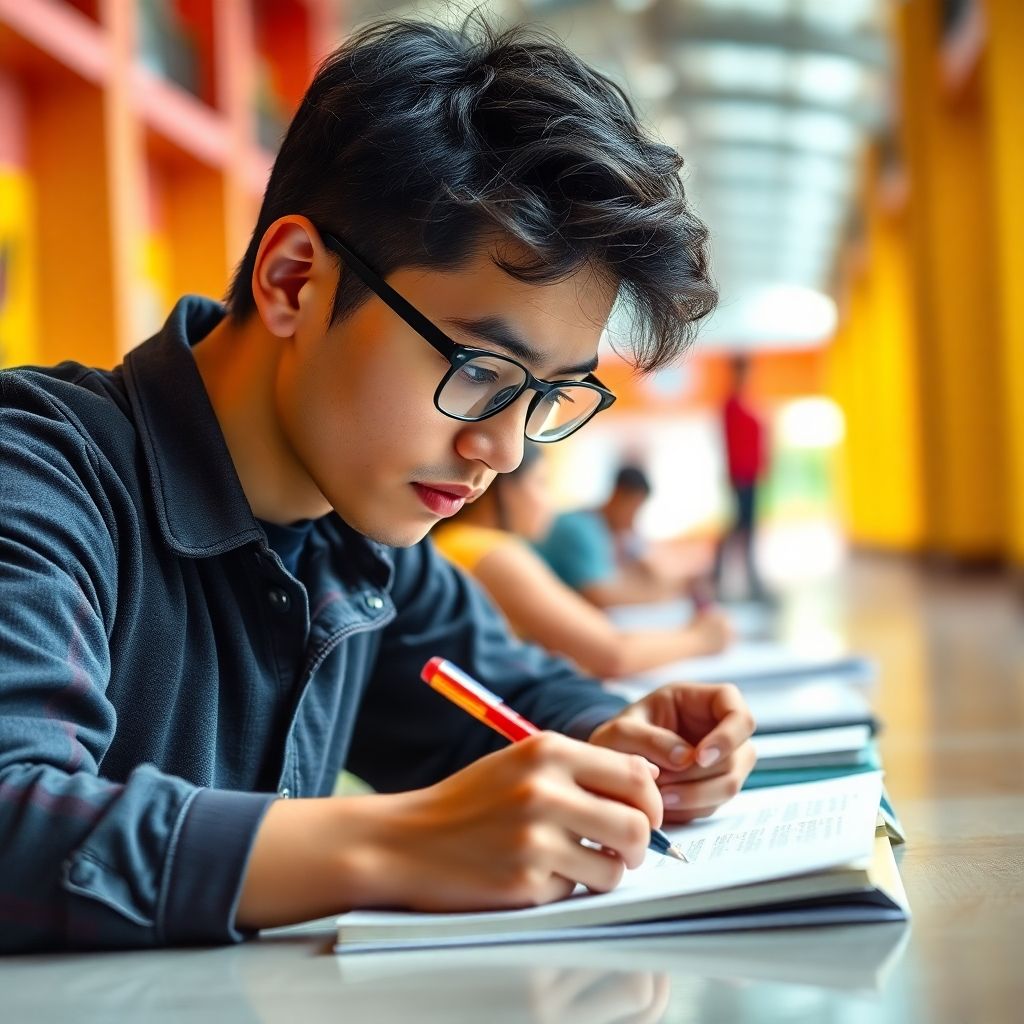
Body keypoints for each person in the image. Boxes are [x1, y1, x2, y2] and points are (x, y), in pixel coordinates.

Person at [0, 18, 755, 953]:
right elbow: (14, 816)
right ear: (292, 280)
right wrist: (396, 841)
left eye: (550, 397)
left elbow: (509, 696)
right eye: (479, 370)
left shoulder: (353, 538)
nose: (505, 451)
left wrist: (625, 744)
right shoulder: (36, 476)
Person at [434, 443, 732, 678]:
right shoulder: (491, 551)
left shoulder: (455, 541)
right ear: (504, 487)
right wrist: (701, 638)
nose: (549, 501)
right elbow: (613, 654)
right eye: (541, 483)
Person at [534, 463, 682, 607]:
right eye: (633, 509)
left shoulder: (597, 527)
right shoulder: (580, 530)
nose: (633, 520)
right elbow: (598, 596)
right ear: (617, 495)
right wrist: (659, 595)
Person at [714, 355, 769, 601]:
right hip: (741, 476)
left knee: (746, 526)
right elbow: (730, 443)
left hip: (752, 475)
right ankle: (724, 573)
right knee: (740, 525)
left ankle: (748, 576)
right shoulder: (732, 405)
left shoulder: (745, 402)